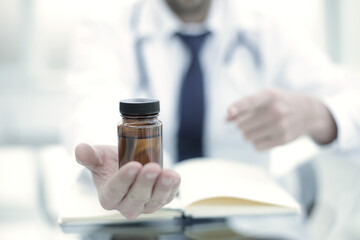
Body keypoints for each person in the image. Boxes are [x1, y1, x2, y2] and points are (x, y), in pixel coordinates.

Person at [67, 0, 360, 220]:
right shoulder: (106, 22)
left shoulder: (267, 23)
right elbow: (93, 106)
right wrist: (119, 160)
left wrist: (317, 114)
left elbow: (350, 100)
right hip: (139, 225)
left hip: (246, 222)